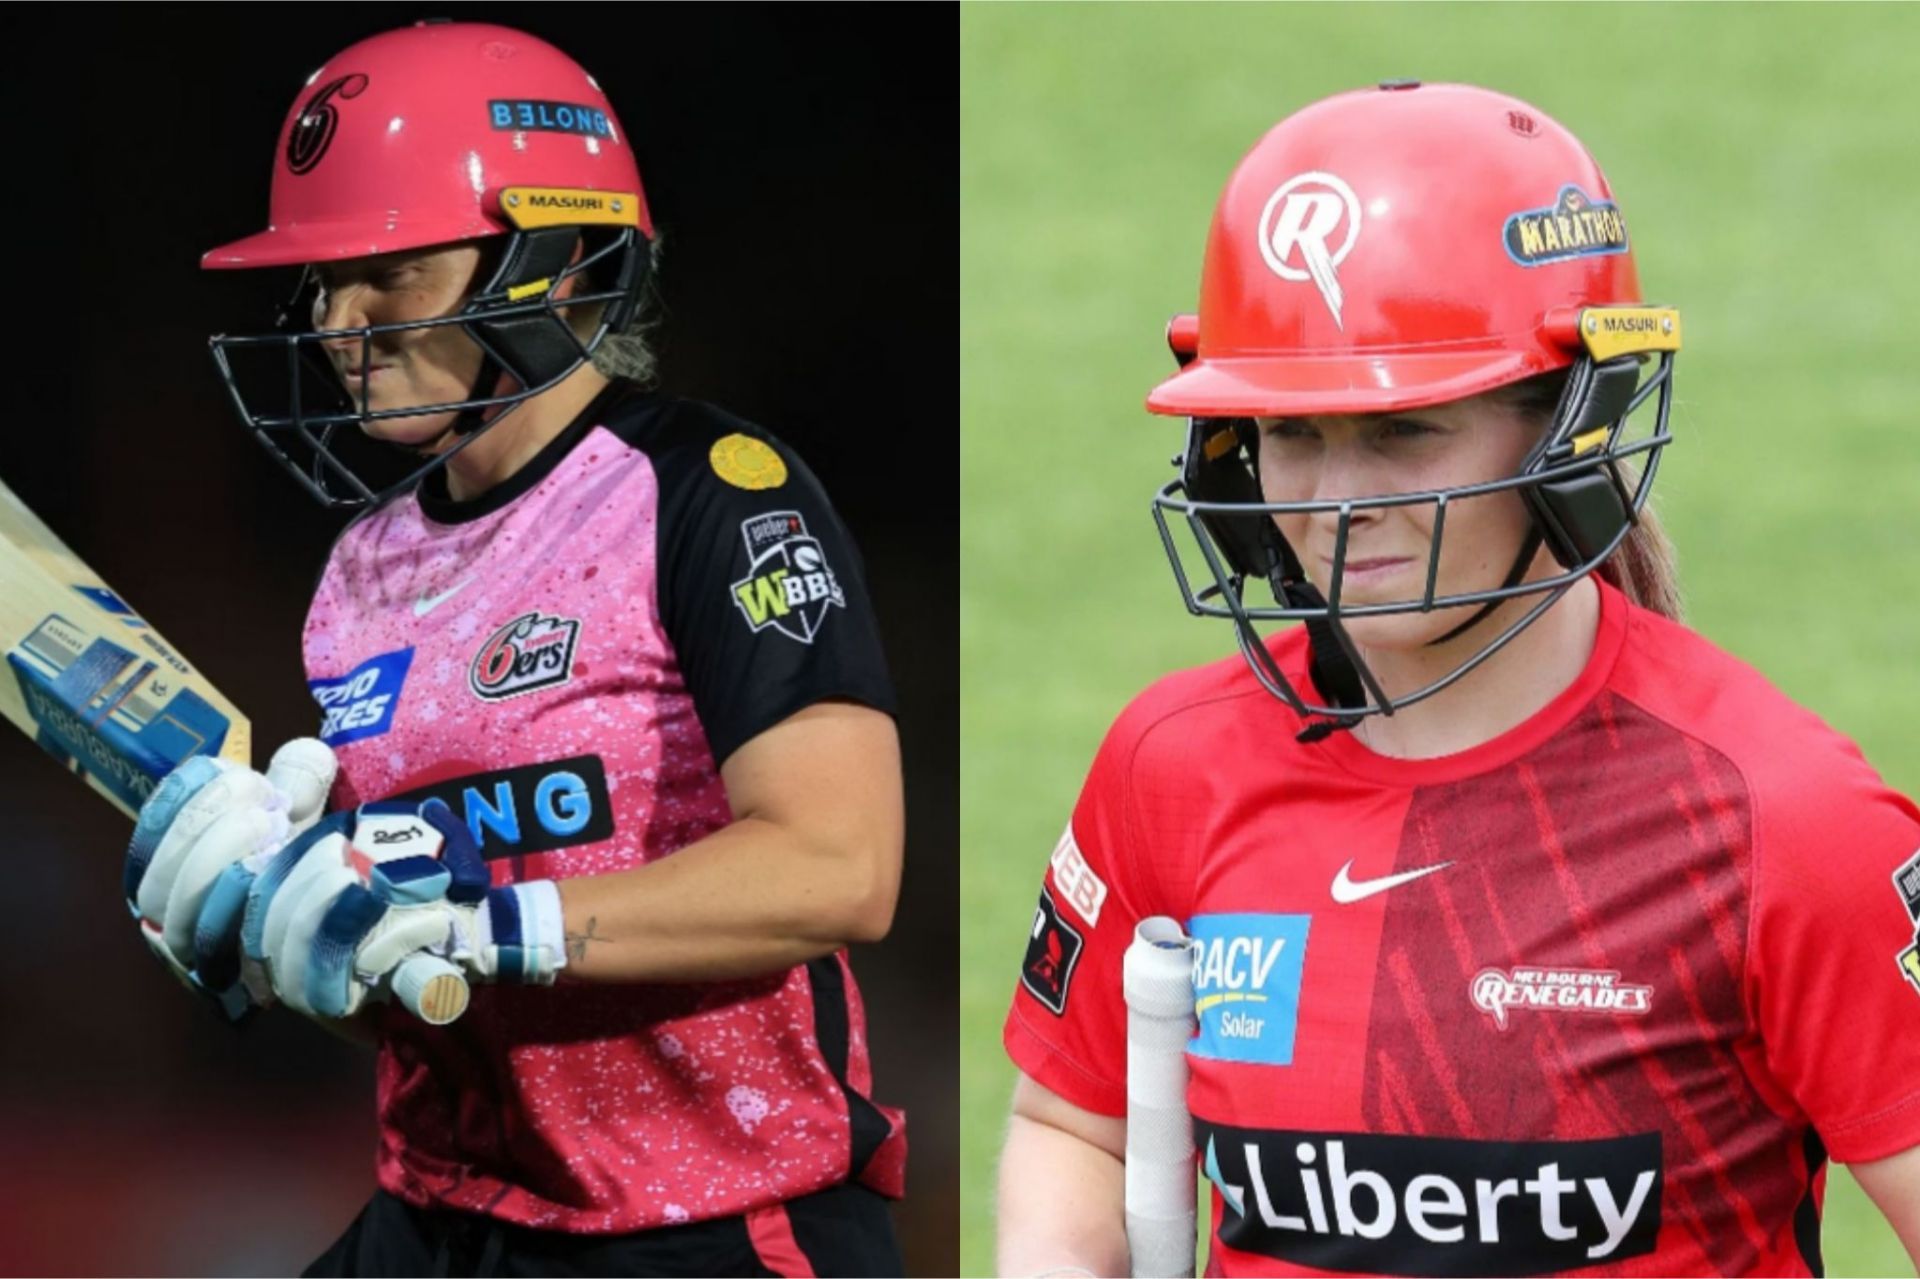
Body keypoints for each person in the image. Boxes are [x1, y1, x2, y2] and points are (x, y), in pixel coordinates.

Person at [997, 82, 1920, 1277]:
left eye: (1404, 433)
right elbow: (1075, 1126)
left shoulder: (1785, 820)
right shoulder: (1168, 762)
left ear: (1573, 429)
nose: (1333, 507)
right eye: (1292, 433)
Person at [123, 21, 906, 1278]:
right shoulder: (360, 569)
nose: (342, 321)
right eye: (325, 281)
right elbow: (429, 989)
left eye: (392, 268)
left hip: (703, 1225)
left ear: (553, 257)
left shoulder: (714, 494)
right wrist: (293, 935)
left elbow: (841, 866)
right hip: (443, 1216)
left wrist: (494, 924)